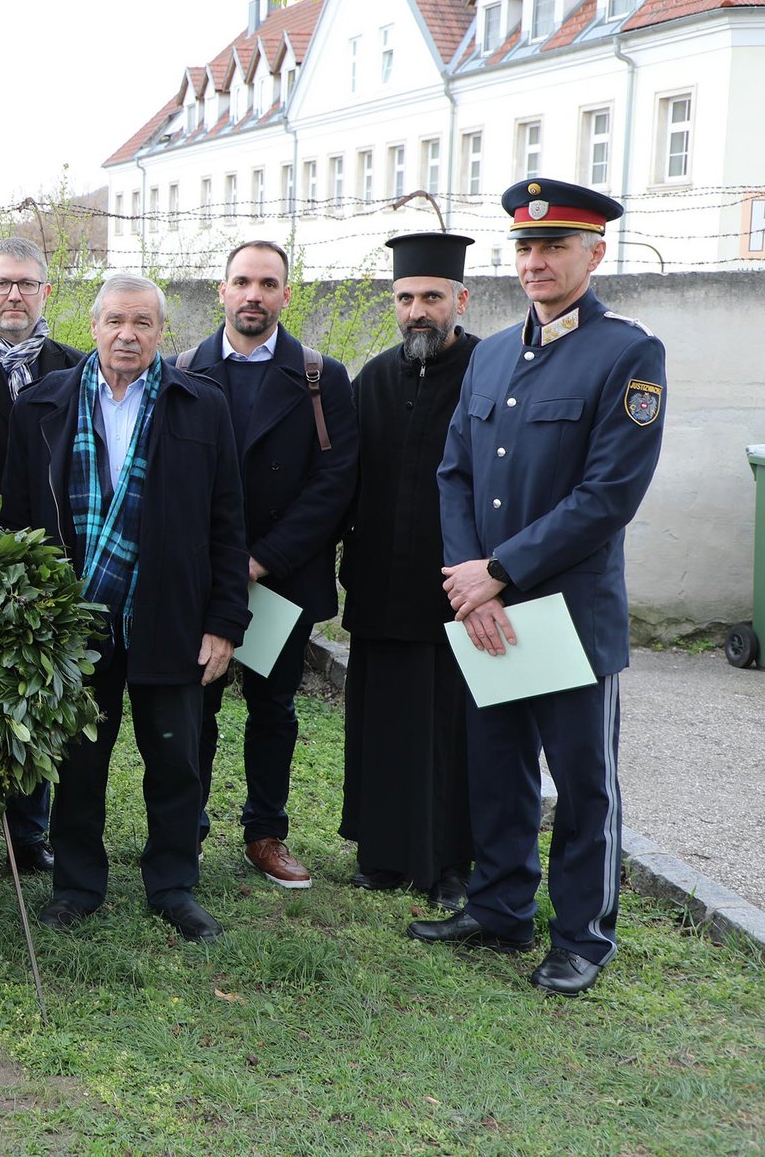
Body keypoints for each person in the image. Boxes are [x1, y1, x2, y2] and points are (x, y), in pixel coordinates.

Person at [413, 179, 666, 997]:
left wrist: (499, 571)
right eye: (524, 247)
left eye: (554, 246)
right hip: (487, 606)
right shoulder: (489, 351)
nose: (536, 262)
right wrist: (470, 583)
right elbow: (454, 471)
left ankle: (583, 937)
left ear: (595, 252)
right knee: (499, 765)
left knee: (584, 781)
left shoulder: (628, 354)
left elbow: (607, 498)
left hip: (566, 611)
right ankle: (498, 907)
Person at [1, 272, 250, 941]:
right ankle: (76, 885)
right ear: (93, 326)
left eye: (142, 323)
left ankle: (173, 886)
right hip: (73, 620)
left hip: (169, 617)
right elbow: (18, 523)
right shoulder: (43, 407)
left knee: (176, 763)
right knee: (80, 764)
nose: (127, 334)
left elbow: (229, 524)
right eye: (115, 321)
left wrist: (225, 624)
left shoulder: (202, 404)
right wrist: (31, 619)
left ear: (161, 332)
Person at [178, 241, 358, 890]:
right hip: (199, 577)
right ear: (222, 291)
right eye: (242, 281)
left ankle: (265, 832)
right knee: (194, 706)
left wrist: (258, 561)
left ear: (286, 294)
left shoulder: (319, 376)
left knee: (273, 708)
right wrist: (216, 566)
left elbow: (334, 483)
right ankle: (185, 829)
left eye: (268, 283)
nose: (254, 294)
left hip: (279, 577)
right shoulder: (182, 368)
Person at [339, 232, 479, 908]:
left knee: (449, 733)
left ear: (460, 298)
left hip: (455, 594)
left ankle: (449, 866)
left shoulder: (490, 372)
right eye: (405, 298)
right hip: (378, 588)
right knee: (383, 724)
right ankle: (383, 856)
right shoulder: (371, 378)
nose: (417, 310)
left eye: (430, 296)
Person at [0, 235, 83, 893]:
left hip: (49, 567)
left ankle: (32, 835)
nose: (13, 294)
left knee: (37, 698)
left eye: (26, 284)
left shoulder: (76, 369)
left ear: (44, 293)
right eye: (2, 283)